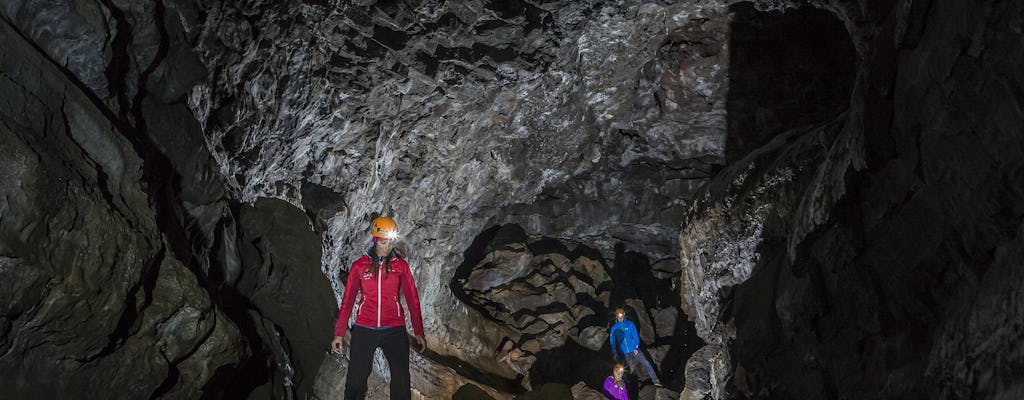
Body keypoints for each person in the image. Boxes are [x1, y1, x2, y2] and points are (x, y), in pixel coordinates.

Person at [330, 216, 426, 400]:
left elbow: (413, 300)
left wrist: (418, 331)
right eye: (383, 242)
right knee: (356, 380)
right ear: (375, 240)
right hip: (364, 328)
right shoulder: (359, 266)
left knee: (401, 378)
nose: (387, 246)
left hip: (394, 329)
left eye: (390, 242)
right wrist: (339, 333)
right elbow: (348, 300)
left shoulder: (401, 266)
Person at [609, 307, 661, 386]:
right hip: (624, 353)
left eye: (622, 316)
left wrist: (636, 348)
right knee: (624, 370)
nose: (620, 318)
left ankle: (656, 381)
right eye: (619, 317)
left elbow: (636, 336)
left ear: (624, 315)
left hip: (634, 350)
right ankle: (625, 386)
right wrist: (615, 352)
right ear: (616, 316)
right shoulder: (614, 328)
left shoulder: (630, 324)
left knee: (647, 363)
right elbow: (612, 341)